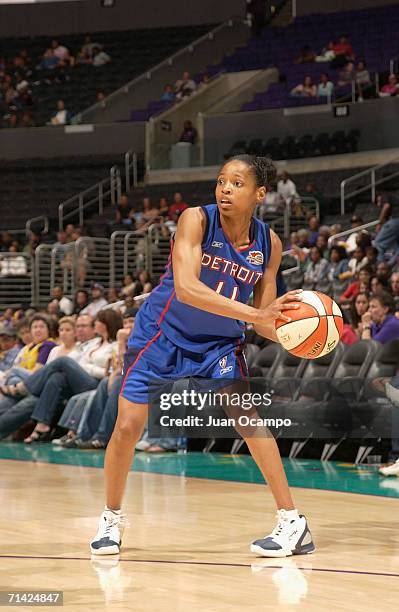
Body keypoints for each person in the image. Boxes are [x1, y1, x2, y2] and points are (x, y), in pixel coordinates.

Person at [90, 154, 315, 558]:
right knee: (128, 427)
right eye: (221, 180)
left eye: (237, 183)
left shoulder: (269, 243)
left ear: (260, 194)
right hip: (163, 334)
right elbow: (187, 289)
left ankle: (293, 523)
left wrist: (298, 333)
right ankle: (111, 518)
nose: (225, 188)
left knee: (248, 419)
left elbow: (265, 320)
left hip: (219, 344)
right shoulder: (197, 219)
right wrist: (254, 315)